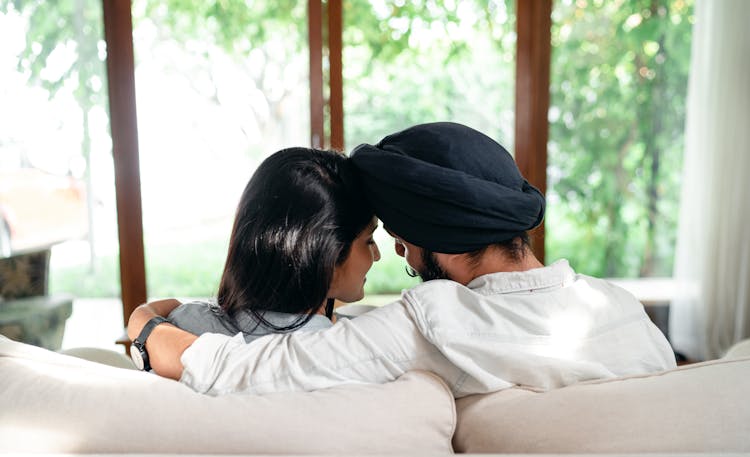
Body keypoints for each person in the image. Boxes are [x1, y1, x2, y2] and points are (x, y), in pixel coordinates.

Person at [128, 122, 676, 397]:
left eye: (403, 238)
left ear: (441, 236)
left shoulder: (435, 320)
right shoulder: (622, 308)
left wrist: (144, 322)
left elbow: (242, 371)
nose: (397, 252)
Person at [128, 147, 380, 372]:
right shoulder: (359, 349)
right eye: (369, 240)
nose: (377, 254)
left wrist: (143, 318)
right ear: (327, 255)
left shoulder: (186, 326)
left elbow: (166, 308)